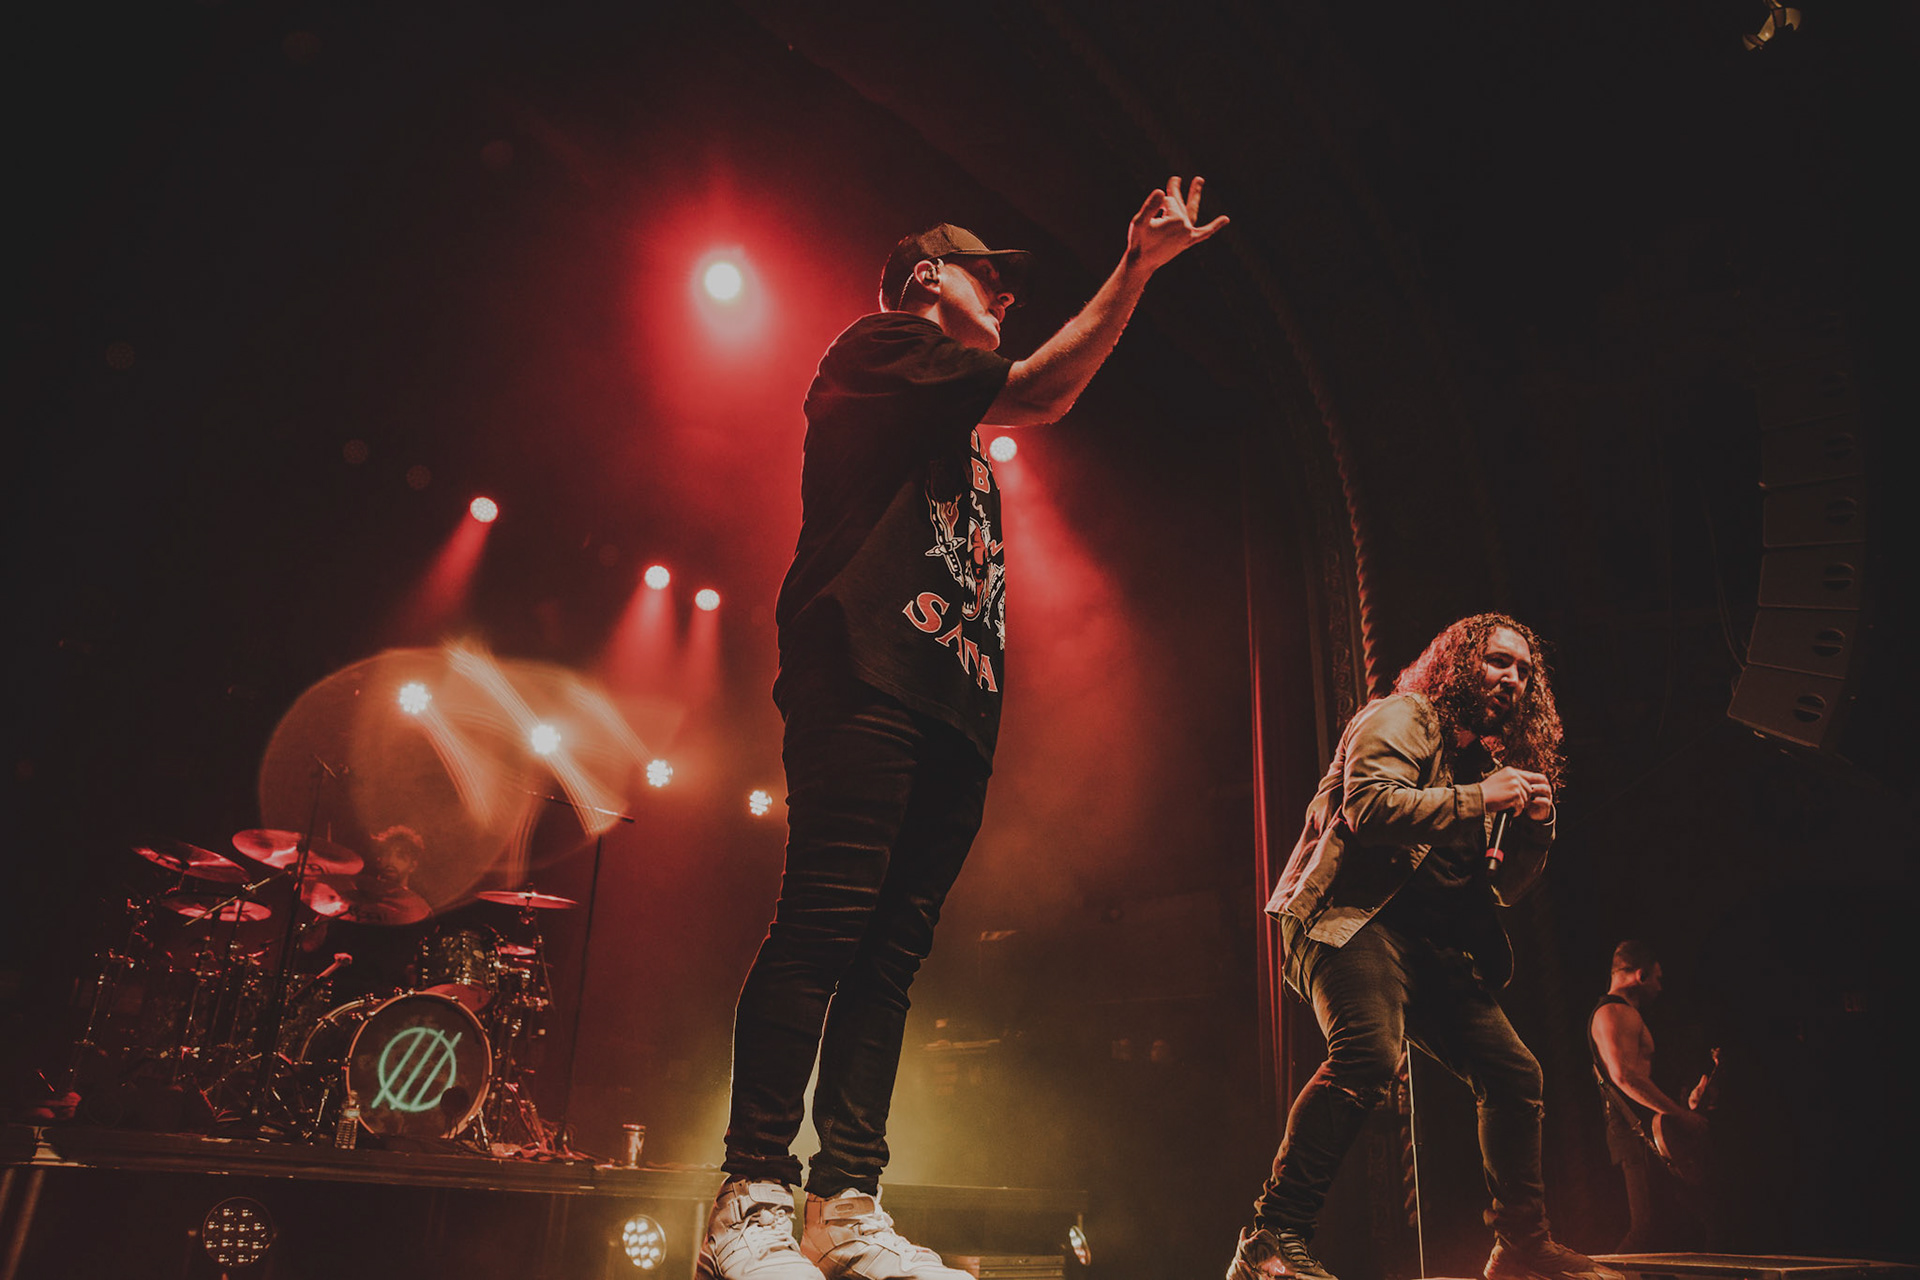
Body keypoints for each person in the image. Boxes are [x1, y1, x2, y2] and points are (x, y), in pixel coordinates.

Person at [702, 180, 1228, 1280]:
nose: (1003, 294)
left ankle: (844, 1205)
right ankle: (749, 1194)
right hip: (865, 674)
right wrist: (1135, 267)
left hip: (950, 708)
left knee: (889, 959)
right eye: (988, 274)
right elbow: (1044, 390)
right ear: (927, 275)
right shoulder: (879, 347)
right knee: (825, 926)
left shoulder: (959, 433)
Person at [1233, 614, 1622, 1280]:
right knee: (1368, 1052)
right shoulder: (1404, 715)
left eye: (1524, 671)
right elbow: (1369, 809)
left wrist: (1536, 828)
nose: (1512, 679)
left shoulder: (1483, 764)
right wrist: (1479, 797)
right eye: (1498, 661)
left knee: (1514, 1075)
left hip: (1431, 949)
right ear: (1460, 663)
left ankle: (1522, 1247)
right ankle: (1273, 1236)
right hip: (1353, 921)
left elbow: (1502, 890)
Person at [1589, 941, 1715, 1251]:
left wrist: (1687, 1103)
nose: (1660, 987)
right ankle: (1601, 1274)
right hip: (1635, 1135)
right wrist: (1680, 1115)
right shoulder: (1614, 1012)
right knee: (1647, 1231)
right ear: (1640, 975)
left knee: (1680, 1228)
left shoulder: (1625, 1013)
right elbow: (1625, 1077)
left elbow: (1641, 1077)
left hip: (1649, 1134)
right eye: (1657, 978)